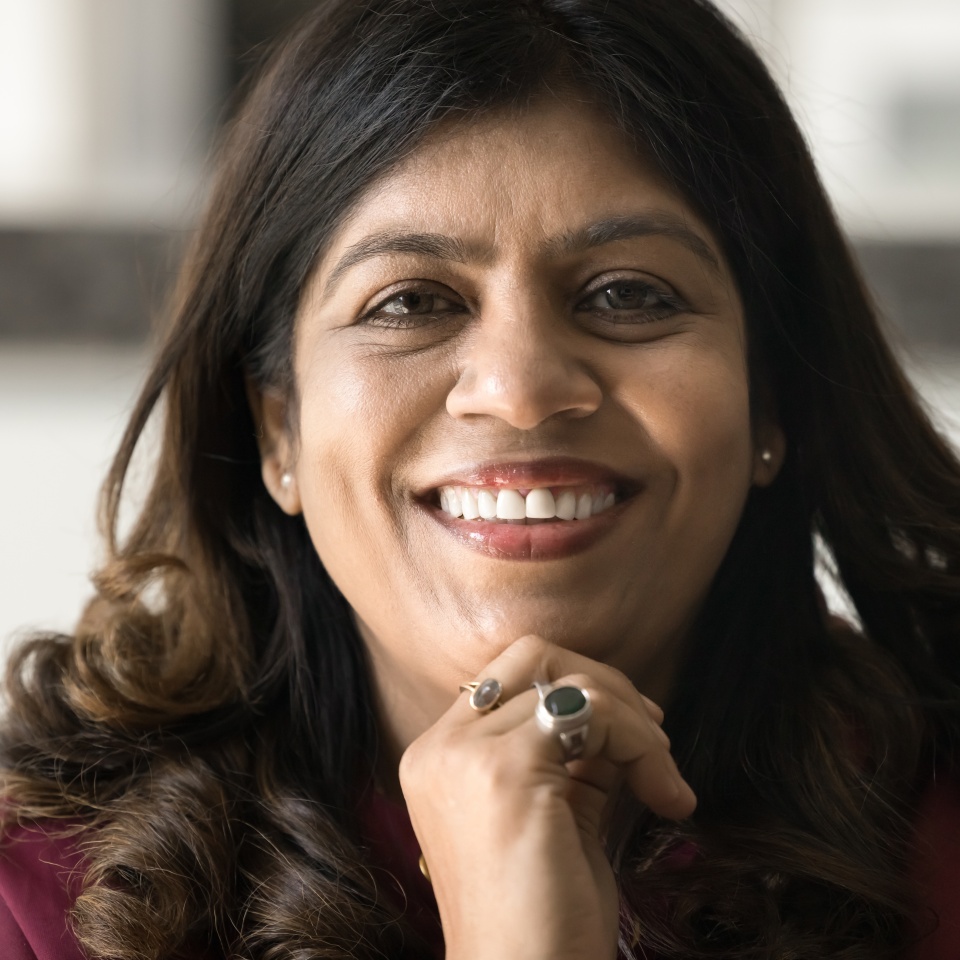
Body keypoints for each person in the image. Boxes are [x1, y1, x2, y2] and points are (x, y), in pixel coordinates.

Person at [2, 0, 959, 957]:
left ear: (771, 401)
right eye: (411, 301)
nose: (520, 390)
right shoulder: (36, 902)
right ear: (278, 427)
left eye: (629, 293)